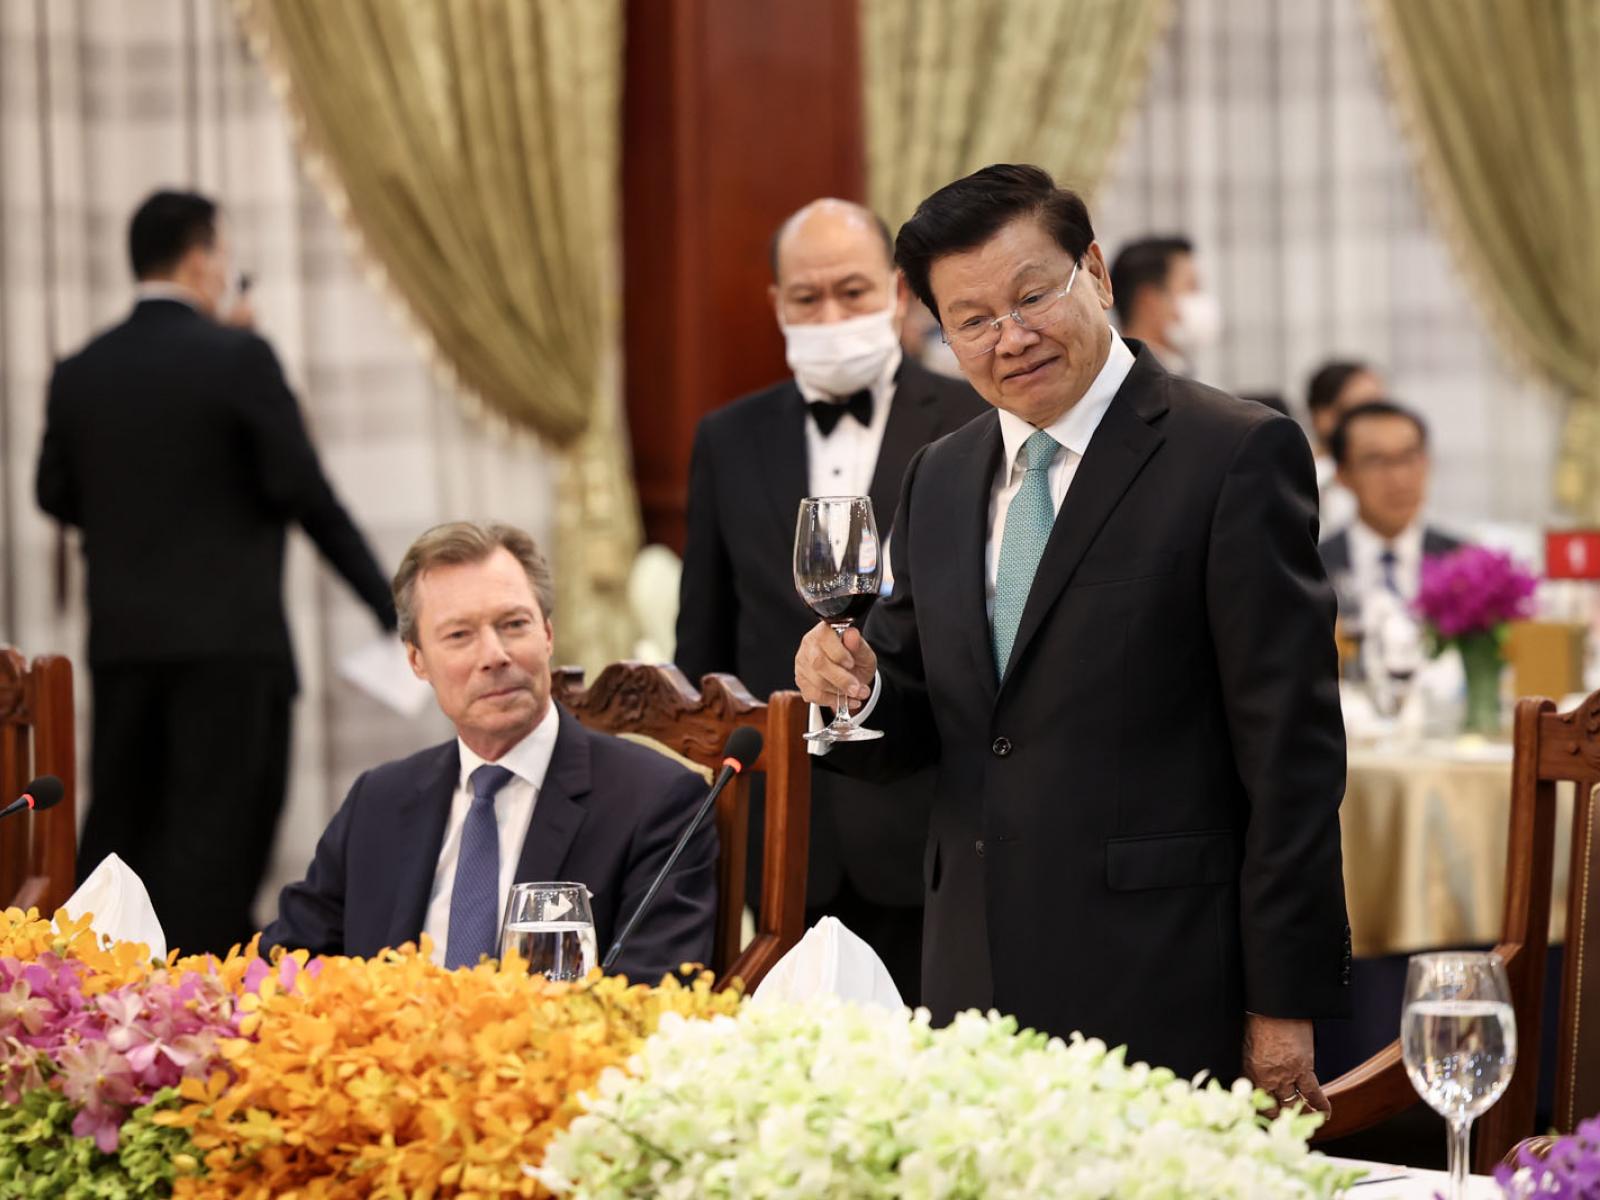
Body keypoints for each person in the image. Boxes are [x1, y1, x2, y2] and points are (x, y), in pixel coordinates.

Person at [794, 165, 1351, 1103]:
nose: (1009, 339)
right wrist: (855, 687)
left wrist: (1282, 1004)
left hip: (1163, 980)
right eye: (969, 320)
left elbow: (1292, 759)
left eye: (1032, 296)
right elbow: (936, 711)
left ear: (1092, 269)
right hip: (972, 978)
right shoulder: (939, 474)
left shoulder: (1233, 454)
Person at [35, 190, 397, 956]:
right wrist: (389, 605)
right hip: (233, 650)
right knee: (216, 849)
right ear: (202, 260)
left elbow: (52, 492)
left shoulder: (81, 370)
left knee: (121, 835)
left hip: (126, 646)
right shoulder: (239, 358)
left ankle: (90, 1007)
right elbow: (305, 491)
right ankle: (195, 1024)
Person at [676, 198, 985, 1001]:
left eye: (852, 291)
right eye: (806, 298)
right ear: (778, 304)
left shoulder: (974, 424)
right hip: (782, 842)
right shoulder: (728, 438)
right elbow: (702, 650)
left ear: (897, 292)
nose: (831, 314)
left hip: (931, 829)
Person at [263, 522, 716, 983]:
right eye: (460, 635)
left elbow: (655, 995)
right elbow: (284, 965)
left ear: (548, 636)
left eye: (513, 624)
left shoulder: (654, 801)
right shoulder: (378, 800)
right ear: (417, 660)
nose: (494, 655)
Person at [1319, 401, 1462, 605]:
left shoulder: (1462, 563)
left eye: (1409, 457)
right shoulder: (1314, 568)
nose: (1398, 478)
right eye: (1376, 461)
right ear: (1342, 474)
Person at [1108, 235, 1221, 375]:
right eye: (1191, 287)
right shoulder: (1136, 383)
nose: (1200, 300)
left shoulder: (1171, 371)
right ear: (1149, 302)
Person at [1305, 360, 1385, 537]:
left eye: (1381, 409)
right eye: (1363, 411)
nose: (1378, 422)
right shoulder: (1302, 483)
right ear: (1323, 417)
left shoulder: (1391, 475)